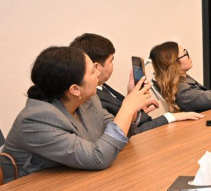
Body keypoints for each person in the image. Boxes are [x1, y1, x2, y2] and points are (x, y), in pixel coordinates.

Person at [1, 46, 155, 177]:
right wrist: (127, 108)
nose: (98, 73)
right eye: (92, 71)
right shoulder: (37, 120)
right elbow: (98, 158)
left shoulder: (88, 100)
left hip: (75, 180)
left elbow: (115, 136)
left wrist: (132, 108)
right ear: (75, 89)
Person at [70, 33, 203, 136]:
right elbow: (124, 132)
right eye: (111, 60)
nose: (113, 65)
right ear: (96, 67)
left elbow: (125, 116)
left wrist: (135, 106)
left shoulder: (102, 86)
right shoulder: (91, 97)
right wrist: (171, 116)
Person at [149, 41, 211, 112]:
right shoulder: (185, 93)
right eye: (185, 53)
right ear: (174, 64)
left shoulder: (182, 80)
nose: (189, 56)